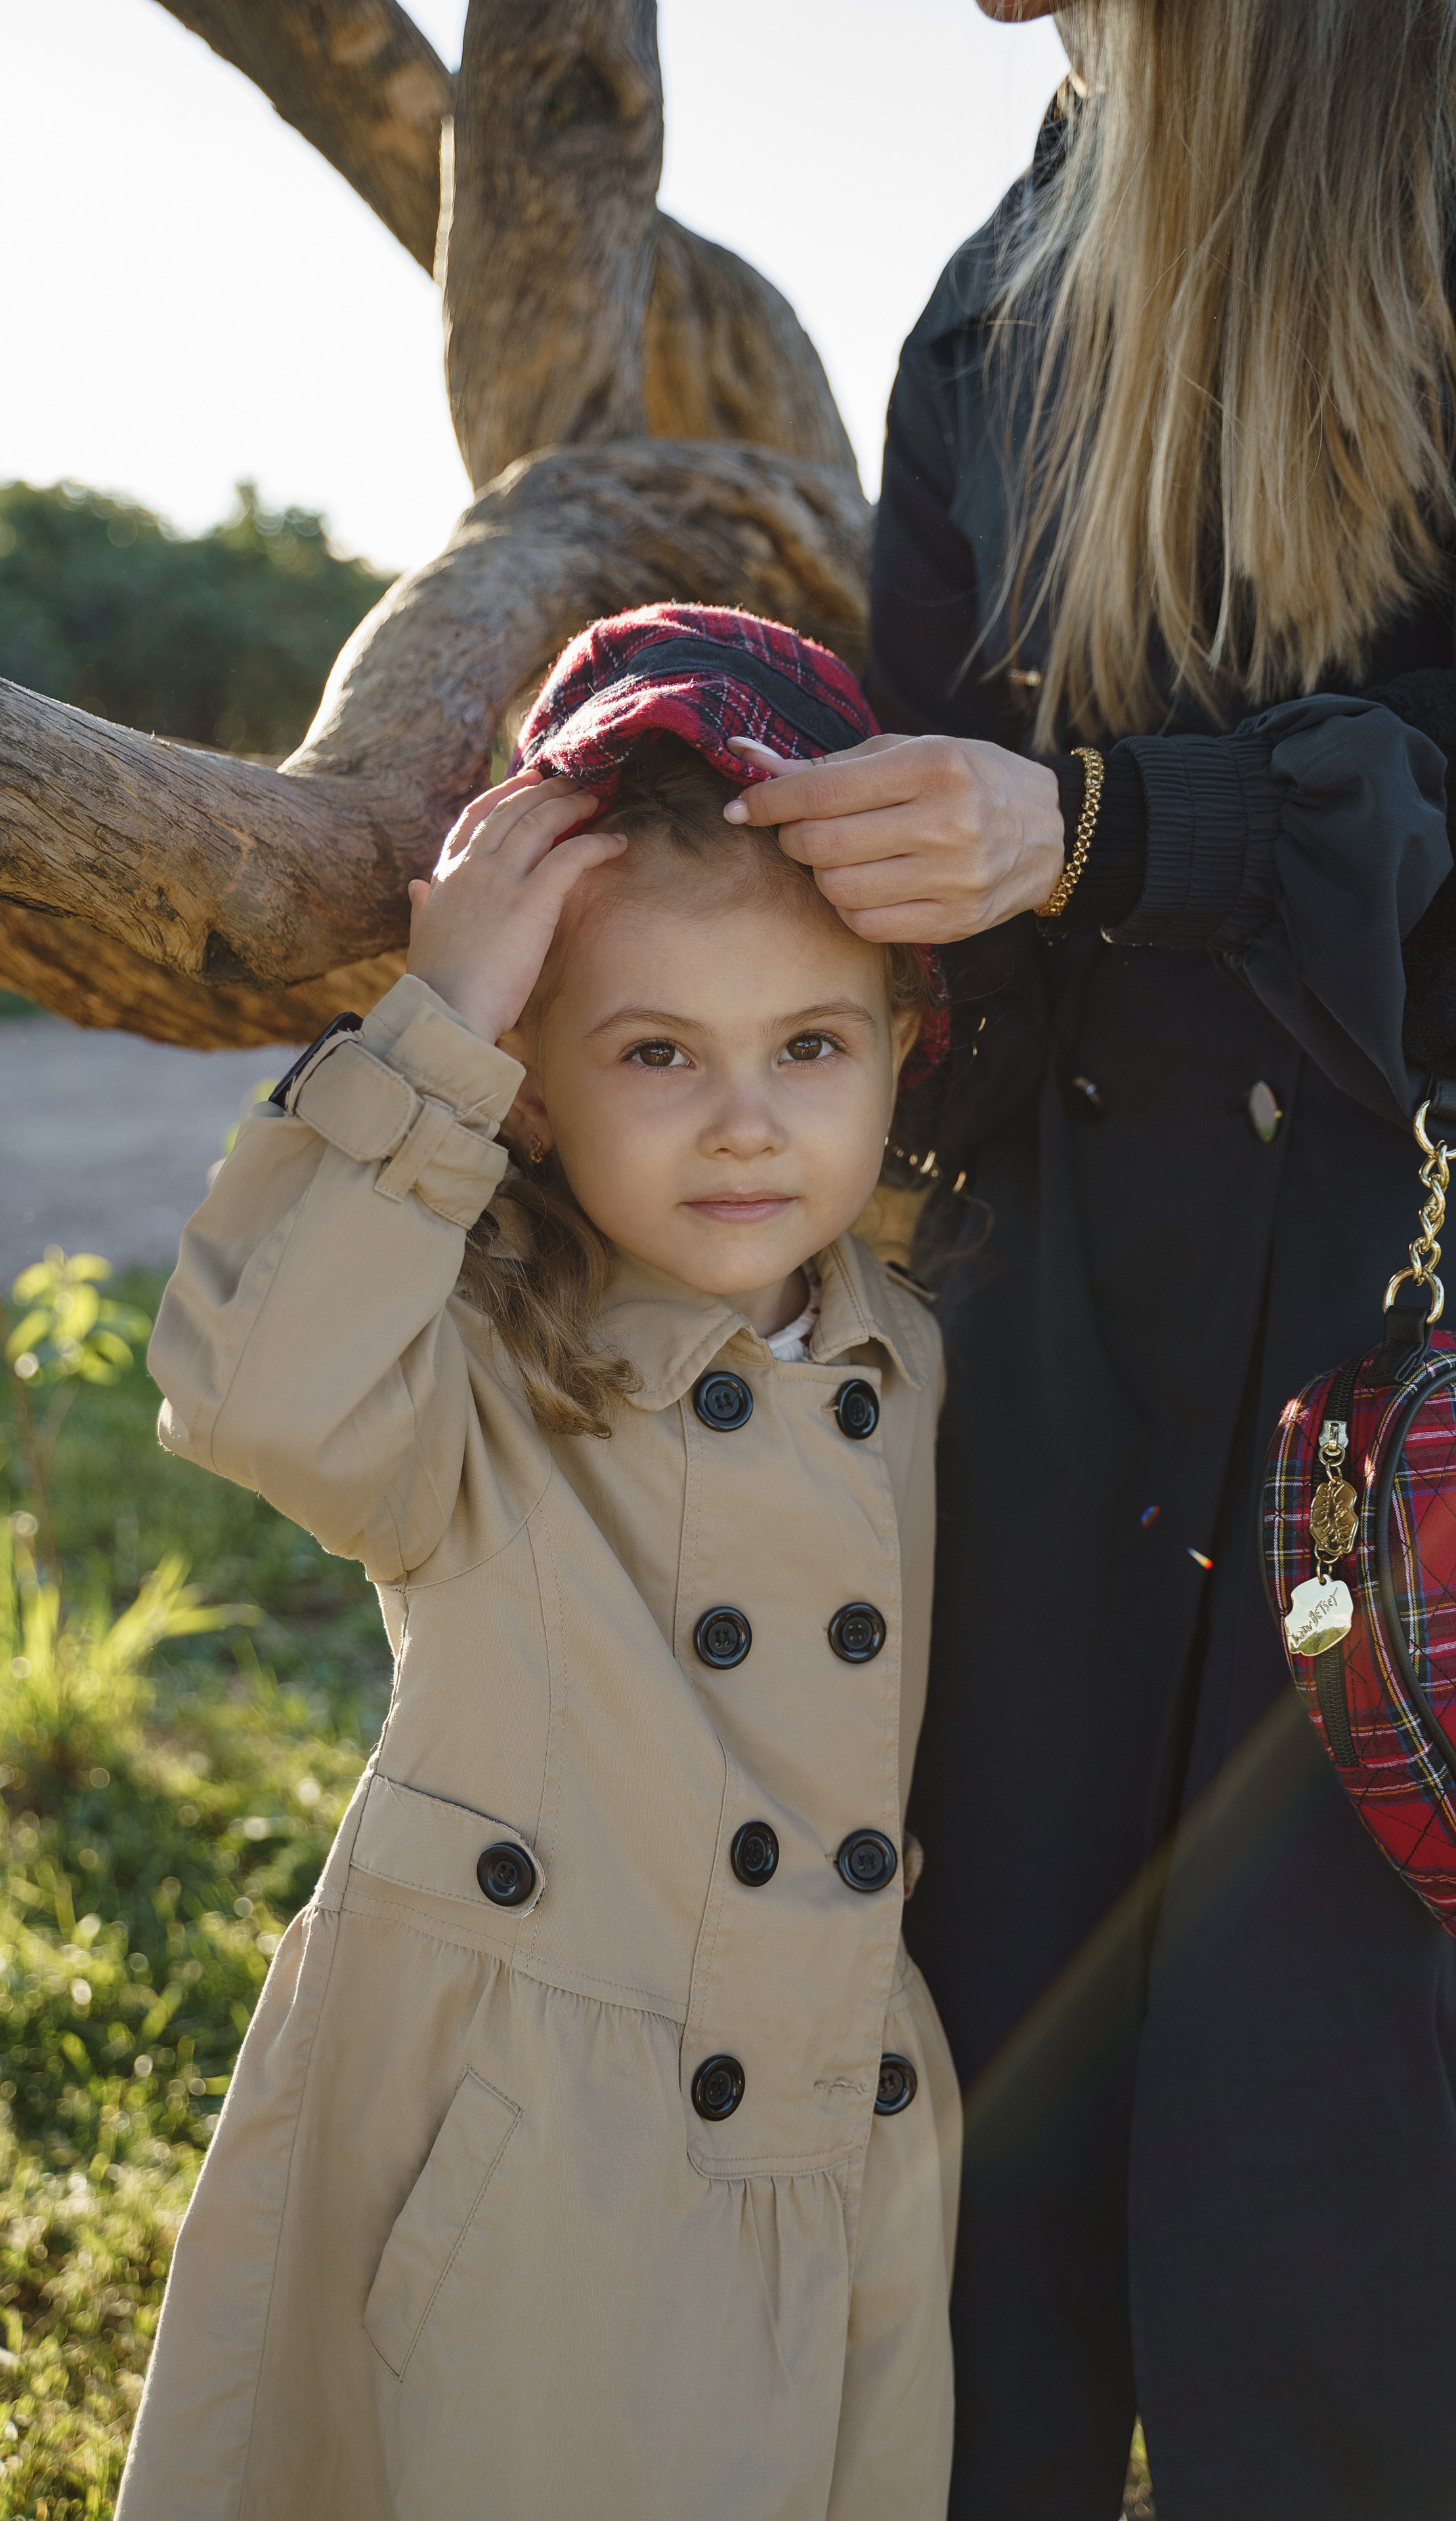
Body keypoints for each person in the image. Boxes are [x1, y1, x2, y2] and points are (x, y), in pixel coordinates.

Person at [723, 4, 1456, 2514]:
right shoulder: (987, 293)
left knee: (1323, 2248)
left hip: (1432, 1388)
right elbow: (961, 946)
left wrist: (1128, 832)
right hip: (1048, 1378)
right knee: (978, 2214)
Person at [115, 607, 960, 2521]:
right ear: (532, 1082)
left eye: (808, 1045)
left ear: (900, 1053)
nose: (745, 1122)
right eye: (656, 1051)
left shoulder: (918, 1356)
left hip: (833, 2106)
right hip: (529, 2147)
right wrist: (432, 1024)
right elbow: (253, 1399)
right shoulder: (479, 1363)